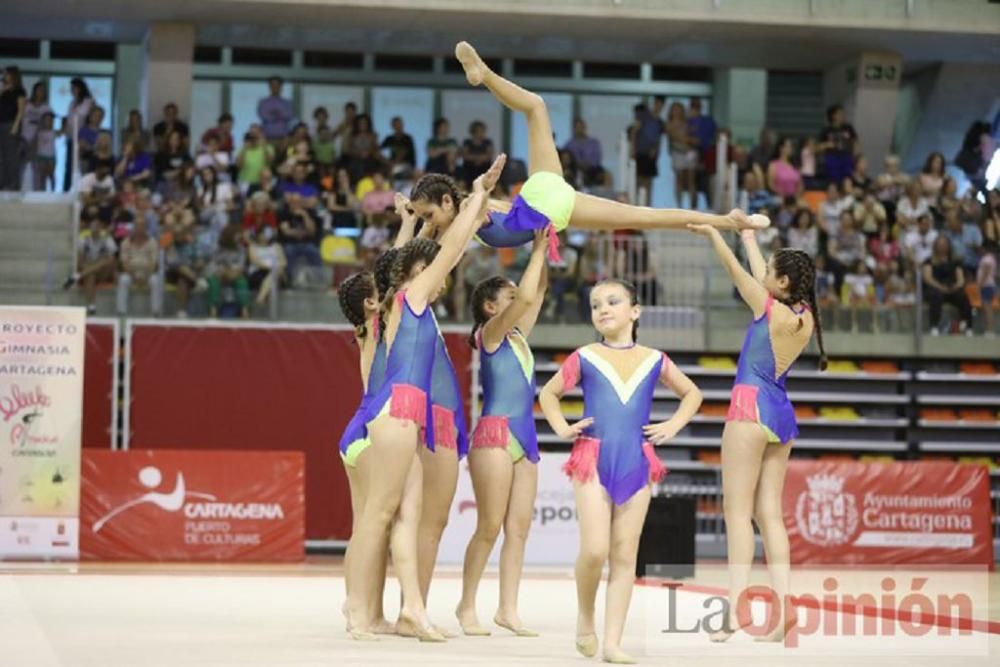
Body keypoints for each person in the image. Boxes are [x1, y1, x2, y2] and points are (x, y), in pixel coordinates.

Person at [343, 153, 505, 641]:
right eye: (424, 263)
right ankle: (358, 612)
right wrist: (476, 197)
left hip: (406, 414)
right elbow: (447, 249)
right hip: (396, 411)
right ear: (413, 274)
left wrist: (412, 223)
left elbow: (410, 258)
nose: (434, 266)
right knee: (379, 516)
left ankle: (405, 610)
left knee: (400, 516)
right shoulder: (410, 299)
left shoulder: (405, 305)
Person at [407, 42, 764, 264]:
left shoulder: (469, 209)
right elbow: (422, 248)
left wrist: (480, 193)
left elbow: (423, 249)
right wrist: (416, 220)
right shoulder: (461, 216)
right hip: (546, 201)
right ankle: (730, 220)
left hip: (543, 203)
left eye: (428, 214)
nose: (428, 222)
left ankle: (484, 73)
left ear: (448, 202)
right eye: (425, 217)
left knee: (646, 216)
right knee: (536, 108)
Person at [538, 278, 702, 662]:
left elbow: (692, 393)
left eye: (613, 301)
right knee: (595, 550)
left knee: (625, 554)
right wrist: (562, 426)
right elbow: (549, 393)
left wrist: (673, 426)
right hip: (592, 456)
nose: (603, 309)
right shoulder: (585, 356)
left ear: (635, 311)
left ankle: (613, 643)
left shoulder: (654, 359)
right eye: (596, 305)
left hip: (637, 460)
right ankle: (585, 616)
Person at [687, 223, 826, 643]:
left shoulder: (768, 309)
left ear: (781, 282)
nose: (763, 272)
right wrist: (747, 236)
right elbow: (756, 274)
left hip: (748, 407)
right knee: (770, 516)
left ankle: (733, 611)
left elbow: (736, 273)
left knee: (737, 514)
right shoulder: (804, 316)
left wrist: (716, 237)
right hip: (779, 413)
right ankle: (785, 611)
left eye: (770, 270)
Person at [456, 231, 548, 637]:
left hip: (525, 438)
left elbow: (537, 291)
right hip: (494, 436)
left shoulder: (517, 337)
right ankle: (466, 605)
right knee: (490, 526)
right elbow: (527, 298)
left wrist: (548, 246)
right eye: (509, 296)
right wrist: (539, 247)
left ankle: (508, 609)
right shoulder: (489, 334)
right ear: (491, 307)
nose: (519, 300)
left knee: (519, 528)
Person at [923, 236, 974, 335]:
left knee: (962, 296)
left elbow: (960, 279)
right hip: (936, 287)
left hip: (951, 288)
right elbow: (928, 278)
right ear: (936, 246)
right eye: (940, 245)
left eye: (944, 244)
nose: (942, 247)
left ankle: (968, 326)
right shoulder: (929, 261)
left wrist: (955, 286)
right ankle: (934, 326)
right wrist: (941, 287)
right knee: (935, 296)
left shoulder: (956, 261)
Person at [116, 218, 161, 316]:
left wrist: (146, 277)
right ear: (134, 227)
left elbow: (153, 264)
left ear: (146, 228)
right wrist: (134, 277)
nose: (139, 228)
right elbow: (124, 264)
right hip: (130, 273)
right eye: (137, 226)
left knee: (155, 280)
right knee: (123, 279)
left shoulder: (152, 242)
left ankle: (155, 312)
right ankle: (121, 312)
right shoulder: (125, 242)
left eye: (142, 226)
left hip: (147, 273)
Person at [206, 224, 250, 319]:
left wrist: (231, 273)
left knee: (242, 282)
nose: (239, 238)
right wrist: (223, 271)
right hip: (218, 275)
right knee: (213, 282)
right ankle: (213, 310)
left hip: (234, 274)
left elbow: (240, 267)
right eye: (237, 235)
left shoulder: (241, 250)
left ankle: (244, 310)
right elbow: (212, 266)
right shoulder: (217, 249)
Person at [632, 96, 665, 205]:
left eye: (660, 104)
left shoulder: (660, 122)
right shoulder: (643, 116)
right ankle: (636, 203)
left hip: (651, 155)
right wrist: (633, 149)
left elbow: (659, 139)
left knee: (648, 181)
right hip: (640, 152)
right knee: (638, 180)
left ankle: (647, 205)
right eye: (656, 103)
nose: (657, 106)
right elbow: (634, 132)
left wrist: (657, 151)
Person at [62, 77, 93, 191]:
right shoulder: (72, 103)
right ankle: (67, 189)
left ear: (80, 88)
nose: (72, 90)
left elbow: (85, 117)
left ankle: (82, 189)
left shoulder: (88, 101)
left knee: (81, 165)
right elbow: (69, 119)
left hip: (82, 138)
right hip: (71, 137)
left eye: (74, 88)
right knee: (69, 165)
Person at [0, 66, 27, 190]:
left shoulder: (20, 91)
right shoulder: (3, 89)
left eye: (6, 74)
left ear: (13, 75)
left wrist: (16, 125)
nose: (4, 76)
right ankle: (3, 183)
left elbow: (21, 110)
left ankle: (13, 184)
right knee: (2, 156)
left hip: (11, 124)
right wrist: (3, 89)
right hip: (1, 124)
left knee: (11, 156)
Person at [19, 81, 50, 189]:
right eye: (39, 90)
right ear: (34, 91)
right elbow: (20, 119)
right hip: (23, 139)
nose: (41, 93)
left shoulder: (46, 108)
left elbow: (47, 126)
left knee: (37, 168)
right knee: (20, 166)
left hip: (38, 142)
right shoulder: (27, 104)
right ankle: (17, 189)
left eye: (43, 91)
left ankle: (39, 191)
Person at [818, 104, 858, 186]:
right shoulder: (826, 130)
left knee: (848, 179)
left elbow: (856, 142)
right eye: (840, 113)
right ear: (833, 116)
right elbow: (818, 147)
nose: (842, 115)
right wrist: (827, 145)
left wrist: (855, 156)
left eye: (843, 113)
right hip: (832, 157)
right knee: (834, 180)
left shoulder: (848, 128)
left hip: (846, 156)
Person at [665, 103, 696, 208]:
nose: (676, 112)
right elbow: (676, 137)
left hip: (689, 152)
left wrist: (689, 140)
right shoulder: (669, 124)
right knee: (679, 179)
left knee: (691, 179)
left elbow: (694, 137)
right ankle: (679, 205)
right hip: (677, 152)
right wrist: (687, 140)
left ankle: (692, 206)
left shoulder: (688, 122)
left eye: (678, 109)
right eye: (674, 109)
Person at [563, 117, 604, 187]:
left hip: (592, 170)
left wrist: (588, 164)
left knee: (604, 175)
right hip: (575, 170)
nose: (579, 129)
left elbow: (597, 158)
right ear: (574, 129)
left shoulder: (593, 143)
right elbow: (566, 159)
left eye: (581, 127)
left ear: (584, 127)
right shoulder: (569, 144)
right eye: (577, 127)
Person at [257, 76, 294, 151]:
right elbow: (263, 115)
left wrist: (274, 114)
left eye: (277, 85)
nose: (275, 87)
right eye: (272, 85)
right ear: (269, 87)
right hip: (267, 138)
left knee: (283, 161)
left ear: (281, 87)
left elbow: (289, 116)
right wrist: (280, 114)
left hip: (283, 139)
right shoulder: (263, 102)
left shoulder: (287, 103)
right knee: (268, 161)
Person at [462, 120, 495, 187]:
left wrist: (476, 158)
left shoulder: (488, 142)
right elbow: (465, 156)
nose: (481, 133)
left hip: (484, 166)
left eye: (483, 131)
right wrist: (477, 158)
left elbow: (489, 156)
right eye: (479, 131)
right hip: (470, 167)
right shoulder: (467, 142)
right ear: (474, 132)